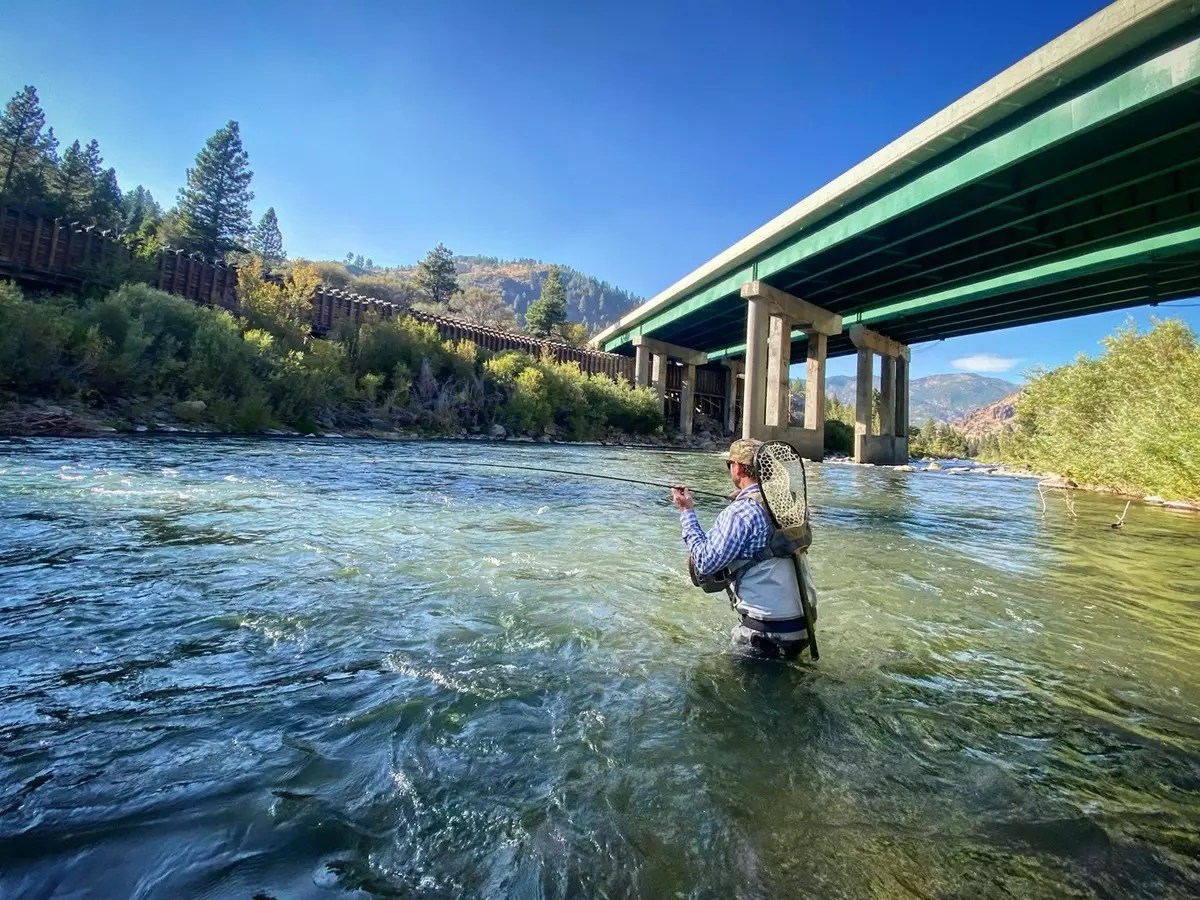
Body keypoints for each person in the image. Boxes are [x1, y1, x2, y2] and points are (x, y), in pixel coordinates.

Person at [671, 438, 812, 660]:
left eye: (730, 465)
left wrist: (686, 512)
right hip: (804, 626)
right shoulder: (793, 504)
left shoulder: (740, 513)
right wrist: (746, 495)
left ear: (737, 466)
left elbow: (705, 563)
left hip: (765, 632)